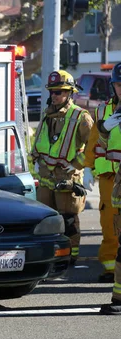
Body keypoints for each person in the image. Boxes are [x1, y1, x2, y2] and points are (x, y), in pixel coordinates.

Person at [30, 70, 93, 269]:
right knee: (47, 218)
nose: (54, 96)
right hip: (47, 175)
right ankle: (52, 254)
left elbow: (94, 145)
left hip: (67, 176)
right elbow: (41, 139)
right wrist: (35, 158)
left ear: (69, 93)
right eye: (52, 92)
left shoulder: (80, 117)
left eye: (59, 92)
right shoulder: (49, 114)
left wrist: (76, 164)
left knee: (68, 218)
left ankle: (71, 256)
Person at [84, 65, 120, 283]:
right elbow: (93, 143)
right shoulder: (102, 111)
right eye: (118, 85)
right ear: (112, 86)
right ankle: (109, 268)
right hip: (108, 179)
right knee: (109, 224)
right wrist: (87, 167)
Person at [96, 62, 121, 314]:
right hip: (115, 181)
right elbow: (101, 144)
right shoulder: (109, 111)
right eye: (118, 85)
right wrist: (105, 128)